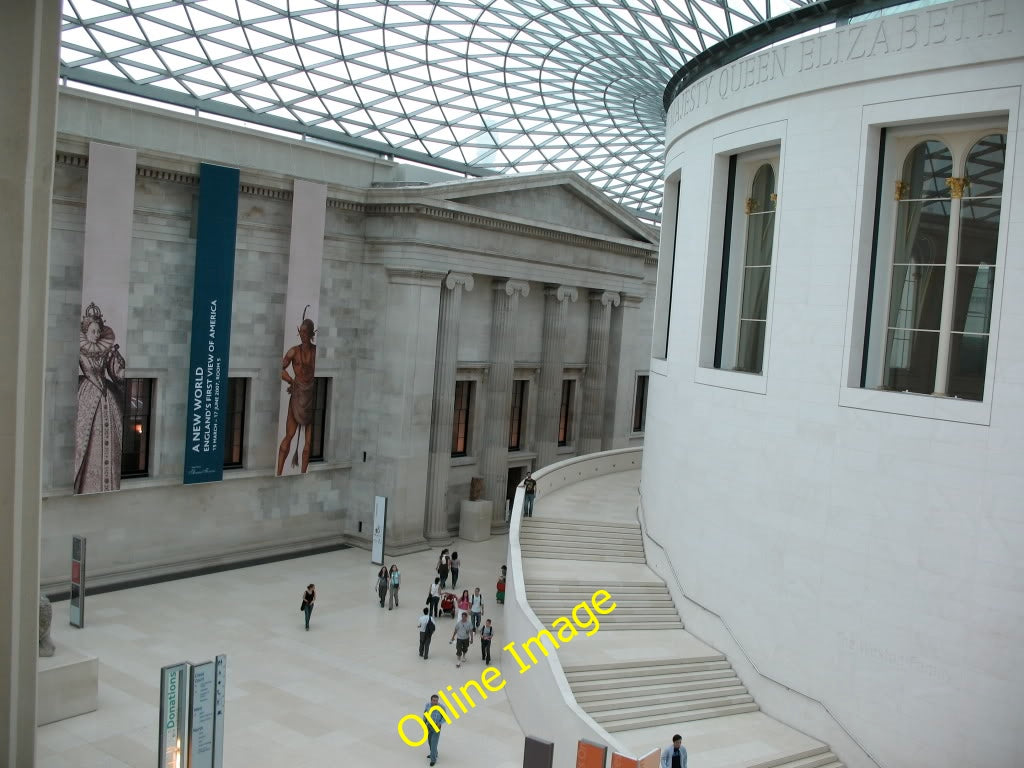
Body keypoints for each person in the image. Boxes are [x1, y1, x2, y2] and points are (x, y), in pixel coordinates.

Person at [74, 303, 125, 495]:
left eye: (98, 331)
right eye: (93, 331)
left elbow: (116, 373)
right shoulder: (80, 351)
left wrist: (118, 365)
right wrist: (100, 386)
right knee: (87, 439)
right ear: (86, 332)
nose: (96, 334)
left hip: (107, 395)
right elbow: (89, 372)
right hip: (89, 393)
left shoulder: (106, 350)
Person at [276, 307, 317, 475]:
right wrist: (291, 380)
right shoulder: (293, 351)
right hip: (298, 395)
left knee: (308, 443)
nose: (302, 335)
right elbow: (279, 368)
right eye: (301, 332)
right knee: (289, 436)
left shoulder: (316, 352)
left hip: (311, 396)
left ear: (311, 334)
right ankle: (279, 472)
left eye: (305, 332)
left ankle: (303, 474)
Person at [424, 694, 445, 766]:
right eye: (434, 700)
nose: (435, 702)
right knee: (430, 741)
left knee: (433, 743)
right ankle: (434, 753)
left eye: (436, 700)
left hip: (436, 727)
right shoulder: (427, 705)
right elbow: (425, 714)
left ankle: (433, 760)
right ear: (431, 700)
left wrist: (440, 723)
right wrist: (424, 722)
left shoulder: (441, 707)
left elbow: (444, 717)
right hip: (429, 726)